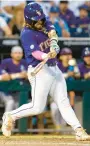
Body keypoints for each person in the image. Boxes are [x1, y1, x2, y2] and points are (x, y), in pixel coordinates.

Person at [1, 2, 90, 141]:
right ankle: (10, 115)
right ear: (29, 20)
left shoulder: (44, 20)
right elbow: (35, 52)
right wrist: (45, 55)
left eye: (41, 19)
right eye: (37, 20)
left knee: (63, 101)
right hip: (39, 70)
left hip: (54, 67)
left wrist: (54, 44)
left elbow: (53, 32)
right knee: (37, 107)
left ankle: (78, 129)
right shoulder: (26, 34)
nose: (40, 22)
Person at [0, 46, 27, 111]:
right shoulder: (5, 62)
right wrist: (18, 75)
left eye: (20, 53)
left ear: (22, 54)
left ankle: (14, 121)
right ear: (11, 54)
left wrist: (11, 76)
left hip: (18, 91)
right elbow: (4, 77)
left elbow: (28, 76)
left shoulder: (24, 62)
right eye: (16, 53)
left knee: (19, 105)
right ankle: (6, 121)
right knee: (10, 102)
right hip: (5, 91)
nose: (18, 55)